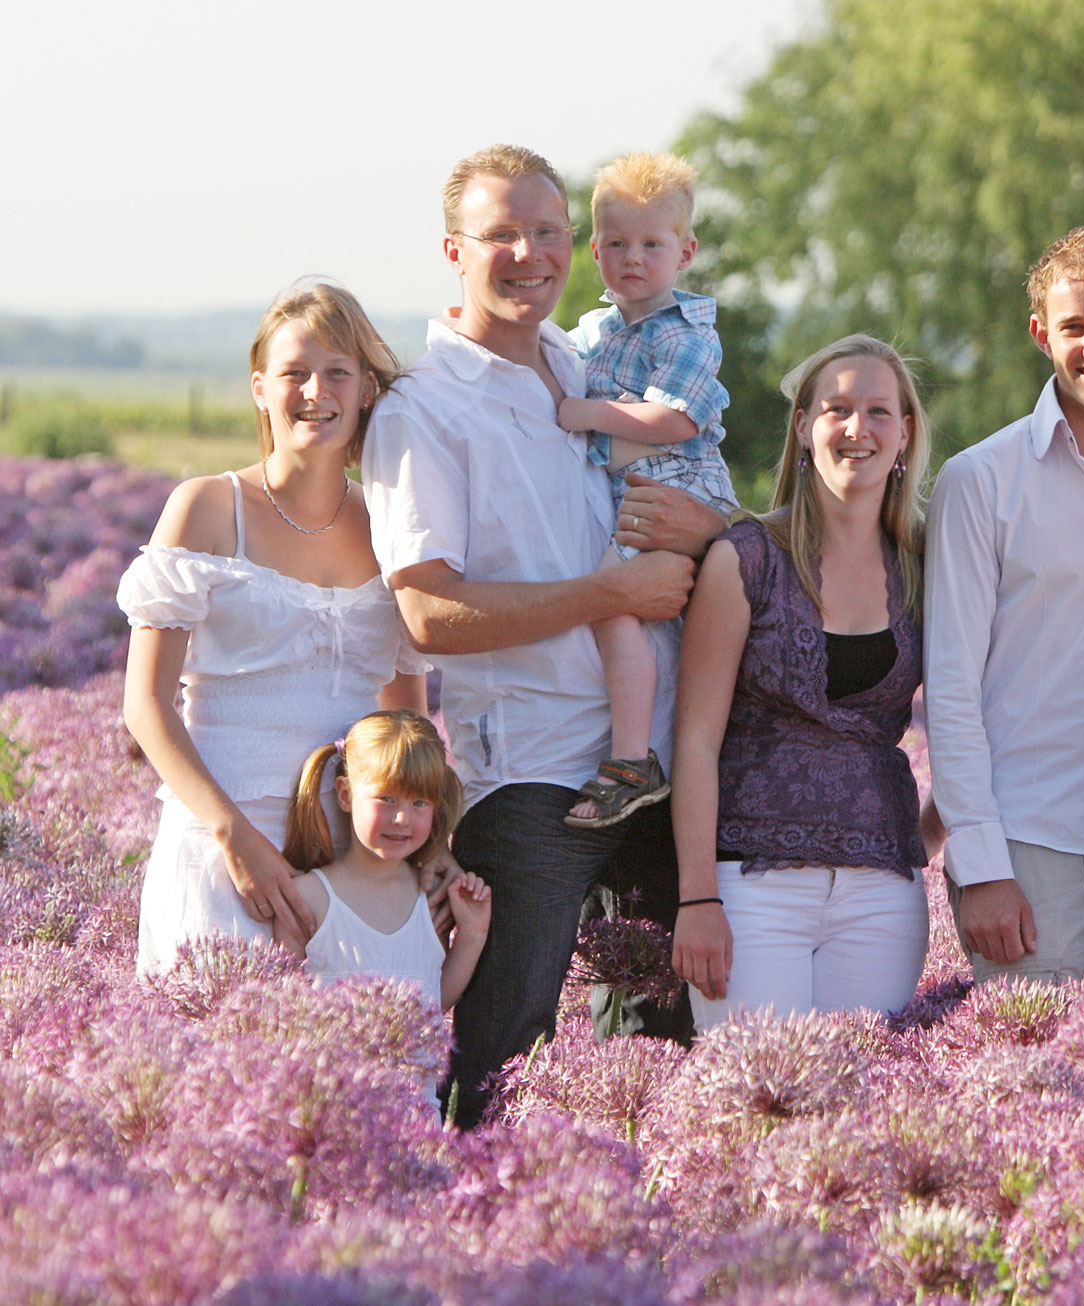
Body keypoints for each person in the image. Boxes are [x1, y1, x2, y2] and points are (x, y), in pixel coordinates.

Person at [361, 144, 723, 1128]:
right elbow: (429, 614)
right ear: (453, 249)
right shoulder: (423, 411)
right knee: (501, 1048)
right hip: (530, 781)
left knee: (658, 1053)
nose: (530, 253)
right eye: (501, 234)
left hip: (648, 768)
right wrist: (607, 591)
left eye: (550, 231)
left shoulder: (583, 359)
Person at [120, 281, 428, 972]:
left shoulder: (391, 523)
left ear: (368, 389)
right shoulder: (205, 507)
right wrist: (234, 838)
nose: (315, 390)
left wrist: (424, 850)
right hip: (219, 845)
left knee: (349, 1067)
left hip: (352, 859)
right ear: (260, 388)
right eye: (294, 372)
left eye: (338, 372)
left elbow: (404, 714)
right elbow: (144, 705)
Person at [925, 226, 1084, 984]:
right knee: (1035, 1089)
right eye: (1073, 327)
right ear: (1041, 335)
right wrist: (981, 865)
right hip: (1034, 847)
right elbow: (951, 688)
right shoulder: (981, 481)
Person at [670, 336, 933, 1026]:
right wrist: (696, 898)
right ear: (803, 427)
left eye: (878, 411)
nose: (857, 429)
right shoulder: (746, 559)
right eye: (836, 409)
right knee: (749, 1103)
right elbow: (695, 740)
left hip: (884, 893)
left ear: (904, 433)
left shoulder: (928, 565)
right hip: (750, 885)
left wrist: (924, 835)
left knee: (862, 1108)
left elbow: (977, 715)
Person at [557, 152, 739, 829]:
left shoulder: (688, 332)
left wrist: (592, 414)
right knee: (639, 615)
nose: (633, 259)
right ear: (596, 249)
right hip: (634, 484)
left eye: (652, 245)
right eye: (617, 244)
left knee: (613, 603)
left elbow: (674, 419)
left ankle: (633, 760)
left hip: (679, 483)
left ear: (684, 251)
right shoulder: (594, 331)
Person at [284, 710, 491, 1010]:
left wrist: (472, 934)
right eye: (386, 798)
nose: (402, 818)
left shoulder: (430, 896)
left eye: (419, 802)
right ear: (345, 794)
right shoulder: (307, 897)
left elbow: (433, 1003)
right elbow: (281, 1012)